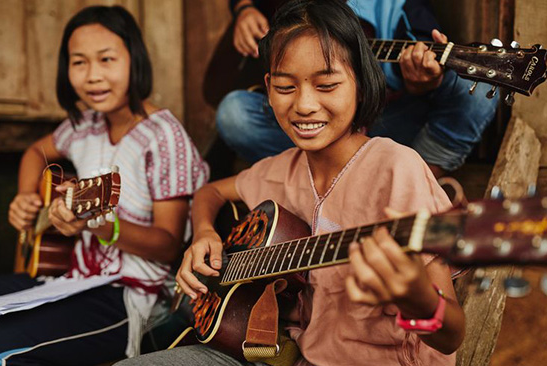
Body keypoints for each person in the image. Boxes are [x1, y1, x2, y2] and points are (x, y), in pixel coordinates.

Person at [116, 1, 465, 365]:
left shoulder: (396, 170)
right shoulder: (282, 170)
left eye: (326, 85)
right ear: (267, 87)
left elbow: (452, 335)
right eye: (285, 87)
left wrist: (419, 300)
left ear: (361, 82)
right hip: (276, 351)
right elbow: (211, 192)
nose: (304, 105)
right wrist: (205, 233)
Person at [0, 5, 208, 365]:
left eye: (107, 59)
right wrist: (25, 195)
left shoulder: (163, 138)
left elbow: (168, 245)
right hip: (71, 280)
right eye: (79, 62)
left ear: (135, 60)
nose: (92, 75)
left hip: (132, 297)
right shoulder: (84, 126)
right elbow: (36, 151)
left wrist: (97, 225)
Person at [216, 0, 499, 178]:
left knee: (480, 87)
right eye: (283, 84)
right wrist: (244, 8)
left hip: (386, 122)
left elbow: (423, 48)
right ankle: (317, 174)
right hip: (316, 130)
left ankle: (419, 176)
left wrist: (423, 79)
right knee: (235, 113)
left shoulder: (399, 6)